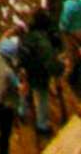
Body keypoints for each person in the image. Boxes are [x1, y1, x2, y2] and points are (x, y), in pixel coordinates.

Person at [16, 10, 62, 141]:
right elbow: (50, 61)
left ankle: (21, 111)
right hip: (38, 72)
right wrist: (59, 69)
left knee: (24, 90)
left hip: (25, 67)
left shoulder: (28, 34)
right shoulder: (42, 41)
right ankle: (42, 125)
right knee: (42, 97)